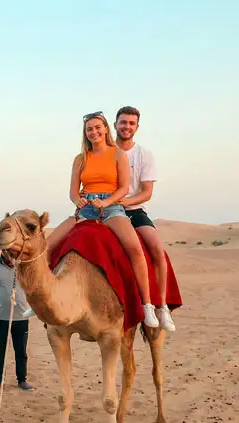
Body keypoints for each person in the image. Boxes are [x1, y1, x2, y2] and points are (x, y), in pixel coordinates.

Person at [45, 111, 159, 328]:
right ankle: (46, 296)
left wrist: (107, 204)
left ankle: (147, 305)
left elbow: (124, 187)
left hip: (112, 207)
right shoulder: (80, 159)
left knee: (135, 249)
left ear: (106, 129)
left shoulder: (117, 155)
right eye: (90, 129)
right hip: (86, 207)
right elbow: (72, 191)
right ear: (85, 133)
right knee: (49, 244)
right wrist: (78, 201)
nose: (94, 132)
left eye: (98, 127)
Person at [114, 106, 176, 332]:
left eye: (131, 123)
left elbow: (146, 193)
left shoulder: (144, 155)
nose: (126, 127)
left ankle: (160, 306)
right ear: (115, 125)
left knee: (157, 250)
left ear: (136, 127)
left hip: (134, 210)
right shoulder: (105, 151)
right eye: (123, 122)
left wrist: (123, 203)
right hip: (108, 211)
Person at [0, 254, 35, 391]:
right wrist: (1, 303)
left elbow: (31, 289)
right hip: (0, 318)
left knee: (21, 351)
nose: (10, 254)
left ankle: (22, 380)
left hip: (21, 318)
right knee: (0, 350)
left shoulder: (24, 269)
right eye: (7, 251)